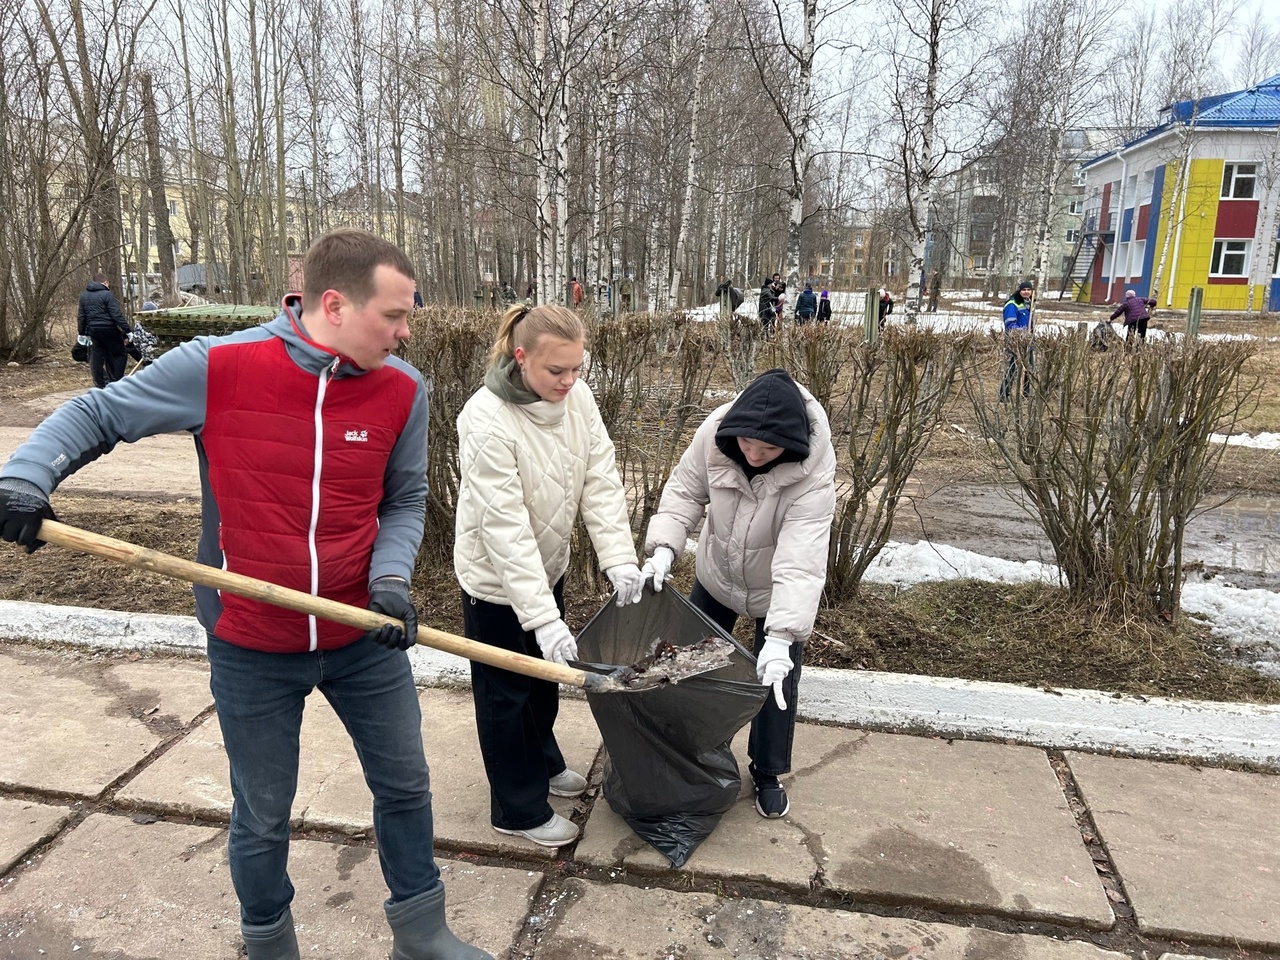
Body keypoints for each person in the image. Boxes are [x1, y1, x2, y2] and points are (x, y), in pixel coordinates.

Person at [0, 228, 492, 960]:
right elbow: (96, 414)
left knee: (407, 786)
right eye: (394, 316)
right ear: (334, 304)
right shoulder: (219, 366)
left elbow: (406, 500)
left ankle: (420, 932)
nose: (406, 331)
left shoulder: (404, 389)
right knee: (263, 814)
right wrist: (28, 477)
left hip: (363, 635)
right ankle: (269, 945)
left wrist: (391, 581)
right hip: (252, 642)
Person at [453, 303, 644, 848]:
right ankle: (515, 808)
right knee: (505, 695)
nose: (569, 381)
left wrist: (619, 558)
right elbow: (504, 527)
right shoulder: (485, 418)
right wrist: (541, 616)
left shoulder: (577, 400)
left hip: (546, 564)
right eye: (556, 371)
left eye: (577, 368)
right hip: (495, 581)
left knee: (542, 679)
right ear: (521, 358)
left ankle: (542, 759)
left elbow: (599, 477)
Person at [640, 368, 836, 819]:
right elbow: (684, 492)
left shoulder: (812, 471)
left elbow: (801, 558)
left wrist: (783, 636)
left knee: (774, 680)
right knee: (692, 663)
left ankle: (767, 771)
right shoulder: (713, 435)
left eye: (768, 449)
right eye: (747, 444)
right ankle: (693, 751)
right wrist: (665, 549)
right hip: (718, 574)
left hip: (774, 590)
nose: (754, 453)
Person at [77, 273, 132, 389]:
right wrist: (127, 330)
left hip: (93, 331)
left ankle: (100, 384)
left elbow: (81, 316)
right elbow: (116, 314)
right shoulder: (107, 294)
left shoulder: (83, 296)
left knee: (96, 357)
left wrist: (81, 333)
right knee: (120, 354)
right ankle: (117, 382)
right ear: (105, 282)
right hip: (109, 329)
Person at [999, 279, 1035, 403]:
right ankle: (1004, 394)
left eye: (1028, 290)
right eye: (1024, 290)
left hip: (1028, 343)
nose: (1026, 292)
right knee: (1013, 368)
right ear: (1019, 291)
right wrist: (1022, 334)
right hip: (1015, 341)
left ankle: (1026, 394)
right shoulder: (1012, 304)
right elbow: (1010, 324)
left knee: (1030, 369)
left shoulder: (1028, 304)